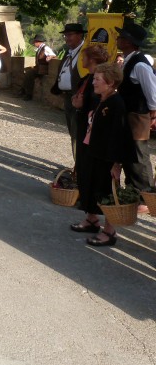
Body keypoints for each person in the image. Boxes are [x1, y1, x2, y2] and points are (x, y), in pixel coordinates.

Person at [70, 63, 134, 247]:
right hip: (93, 151)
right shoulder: (101, 99)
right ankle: (91, 220)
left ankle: (109, 231)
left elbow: (119, 135)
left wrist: (116, 164)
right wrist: (80, 108)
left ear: (111, 82)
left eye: (97, 79)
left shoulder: (116, 103)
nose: (93, 83)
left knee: (106, 191)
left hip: (106, 157)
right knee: (89, 185)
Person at [115, 22, 156, 208]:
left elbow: (152, 91)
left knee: (139, 156)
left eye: (122, 37)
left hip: (138, 115)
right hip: (129, 114)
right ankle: (133, 191)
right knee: (129, 155)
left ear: (130, 42)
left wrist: (153, 114)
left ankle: (145, 198)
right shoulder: (129, 60)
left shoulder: (139, 64)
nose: (118, 39)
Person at [69, 45, 111, 228]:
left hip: (93, 135)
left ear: (92, 60)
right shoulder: (89, 78)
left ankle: (95, 216)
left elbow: (98, 104)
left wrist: (81, 106)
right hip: (85, 131)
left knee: (94, 175)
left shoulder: (101, 80)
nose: (82, 60)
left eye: (85, 57)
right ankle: (90, 216)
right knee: (85, 172)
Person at [53, 23, 86, 160]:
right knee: (73, 133)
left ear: (80, 35)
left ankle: (79, 168)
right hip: (68, 97)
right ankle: (77, 165)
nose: (67, 38)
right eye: (66, 35)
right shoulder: (69, 52)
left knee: (78, 133)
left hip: (79, 97)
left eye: (70, 35)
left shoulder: (84, 52)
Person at [20, 34, 56, 100]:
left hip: (43, 69)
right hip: (38, 68)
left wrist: (50, 57)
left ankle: (28, 94)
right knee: (27, 71)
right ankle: (23, 90)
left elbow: (54, 56)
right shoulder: (39, 49)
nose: (34, 43)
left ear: (39, 42)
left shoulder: (45, 48)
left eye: (35, 42)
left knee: (29, 74)